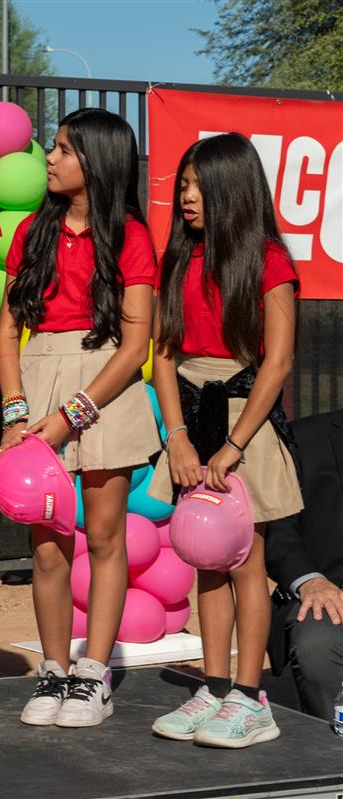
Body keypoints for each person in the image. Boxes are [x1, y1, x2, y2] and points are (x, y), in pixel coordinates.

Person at [0, 108, 159, 728]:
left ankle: (94, 674)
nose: (51, 159)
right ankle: (54, 672)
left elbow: (135, 341)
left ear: (98, 161)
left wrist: (73, 413)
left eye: (63, 149)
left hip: (105, 390)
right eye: (51, 148)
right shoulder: (32, 232)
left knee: (106, 536)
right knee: (47, 549)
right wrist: (16, 415)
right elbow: (8, 334)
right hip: (38, 385)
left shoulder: (132, 237)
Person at [149, 132, 303, 747]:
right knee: (202, 558)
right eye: (181, 186)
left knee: (245, 560)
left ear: (230, 189)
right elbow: (163, 354)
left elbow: (279, 363)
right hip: (192, 418)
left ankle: (249, 698)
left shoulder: (269, 261)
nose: (186, 198)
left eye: (197, 187)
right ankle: (212, 689)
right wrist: (180, 439)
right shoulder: (180, 258)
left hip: (247, 422)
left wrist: (234, 445)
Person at [266, 409, 343, 721]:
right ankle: (332, 750)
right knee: (317, 645)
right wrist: (311, 581)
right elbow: (277, 527)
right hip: (329, 592)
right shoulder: (300, 440)